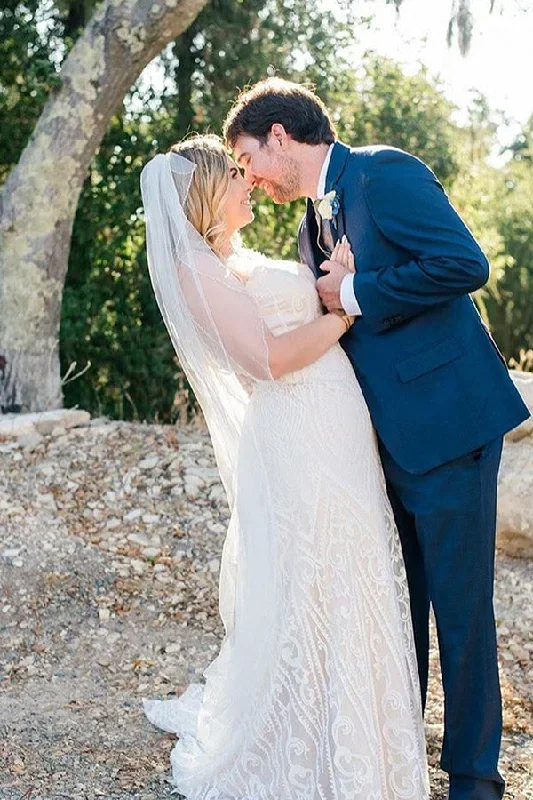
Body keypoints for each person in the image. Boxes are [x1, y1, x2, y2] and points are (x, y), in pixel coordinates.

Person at [223, 78, 531, 800]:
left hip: (447, 427)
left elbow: (464, 264)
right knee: (401, 607)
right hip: (375, 447)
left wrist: (356, 295)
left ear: (278, 134)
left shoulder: (383, 172)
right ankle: (397, 755)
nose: (251, 178)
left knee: (459, 610)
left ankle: (472, 776)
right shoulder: (308, 224)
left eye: (248, 158)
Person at [140, 133, 429, 799]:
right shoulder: (195, 273)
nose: (248, 184)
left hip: (333, 428)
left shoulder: (228, 260)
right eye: (235, 176)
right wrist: (341, 313)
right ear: (209, 192)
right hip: (296, 438)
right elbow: (266, 360)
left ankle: (365, 736)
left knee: (351, 569)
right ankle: (318, 744)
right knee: (316, 580)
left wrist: (335, 279)